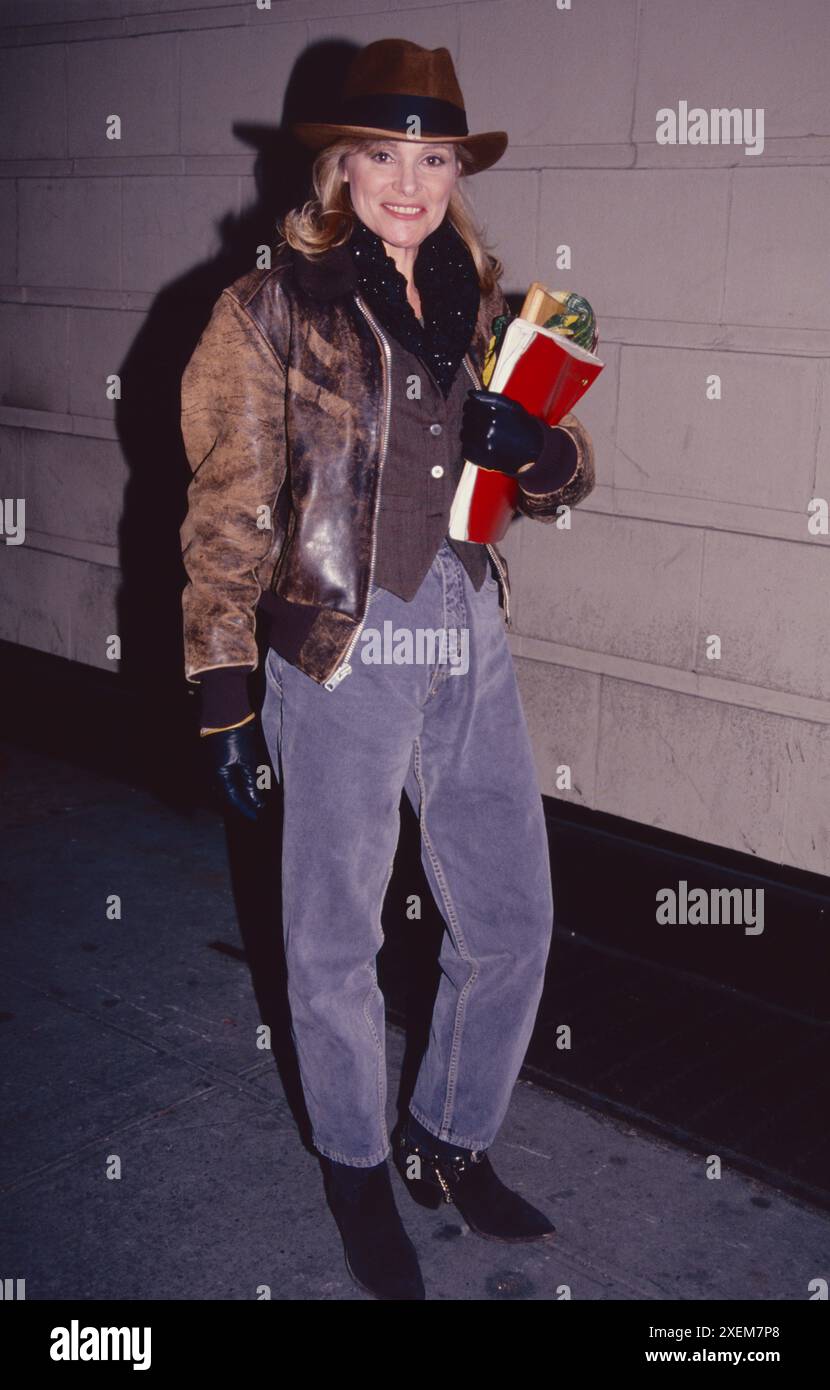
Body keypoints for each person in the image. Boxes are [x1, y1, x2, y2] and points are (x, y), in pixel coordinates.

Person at [179, 38, 595, 1301]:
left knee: (512, 915)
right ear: (338, 167)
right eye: (383, 157)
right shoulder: (267, 306)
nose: (408, 182)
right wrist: (222, 689)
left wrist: (535, 450)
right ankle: (358, 1168)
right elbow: (226, 509)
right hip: (337, 645)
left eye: (432, 159)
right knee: (332, 936)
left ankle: (445, 1137)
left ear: (453, 172)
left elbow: (563, 470)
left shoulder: (481, 296)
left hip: (465, 630)